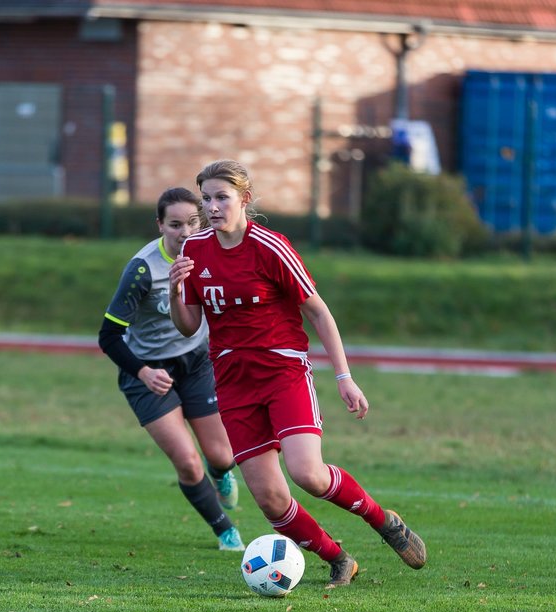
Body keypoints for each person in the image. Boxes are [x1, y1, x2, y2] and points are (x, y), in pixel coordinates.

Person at [168, 159, 426, 587]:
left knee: (307, 473)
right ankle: (338, 559)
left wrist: (344, 377)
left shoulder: (270, 246)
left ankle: (386, 522)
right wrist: (175, 291)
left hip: (282, 371)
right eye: (206, 199)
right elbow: (189, 326)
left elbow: (319, 313)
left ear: (244, 199)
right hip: (233, 382)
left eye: (221, 197)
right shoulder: (193, 250)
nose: (212, 207)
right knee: (270, 500)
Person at [99, 186, 244, 552]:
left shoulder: (213, 252)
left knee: (222, 456)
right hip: (148, 373)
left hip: (196, 362)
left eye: (193, 222)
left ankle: (222, 473)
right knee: (188, 463)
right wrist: (144, 372)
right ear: (160, 226)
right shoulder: (143, 270)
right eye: (176, 224)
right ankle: (225, 530)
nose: (186, 232)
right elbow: (109, 336)